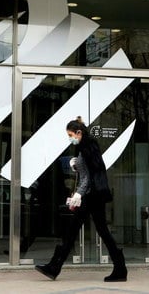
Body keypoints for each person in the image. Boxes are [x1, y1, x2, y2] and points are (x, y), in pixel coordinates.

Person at [35, 117, 128, 282]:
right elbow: (89, 170)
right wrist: (76, 164)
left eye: (71, 135)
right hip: (92, 196)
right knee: (80, 231)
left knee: (86, 231)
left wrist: (78, 194)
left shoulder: (87, 147)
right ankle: (54, 267)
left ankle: (55, 267)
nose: (70, 138)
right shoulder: (88, 146)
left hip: (91, 196)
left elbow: (89, 177)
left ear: (79, 133)